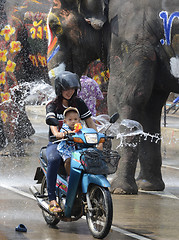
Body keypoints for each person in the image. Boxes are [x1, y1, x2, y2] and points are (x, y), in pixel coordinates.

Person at [46, 71, 100, 213]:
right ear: (59, 89)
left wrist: (99, 136)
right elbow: (52, 126)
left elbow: (89, 122)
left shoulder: (79, 104)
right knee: (53, 160)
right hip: (58, 143)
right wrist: (57, 133)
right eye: (66, 89)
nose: (70, 92)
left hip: (77, 142)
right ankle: (52, 199)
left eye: (72, 89)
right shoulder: (52, 105)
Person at [57, 107, 81, 176]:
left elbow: (85, 131)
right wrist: (69, 133)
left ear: (79, 120)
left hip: (77, 149)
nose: (73, 121)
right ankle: (69, 176)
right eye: (70, 119)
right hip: (66, 149)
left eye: (75, 119)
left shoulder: (80, 127)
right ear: (65, 121)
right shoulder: (65, 127)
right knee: (68, 160)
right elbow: (64, 132)